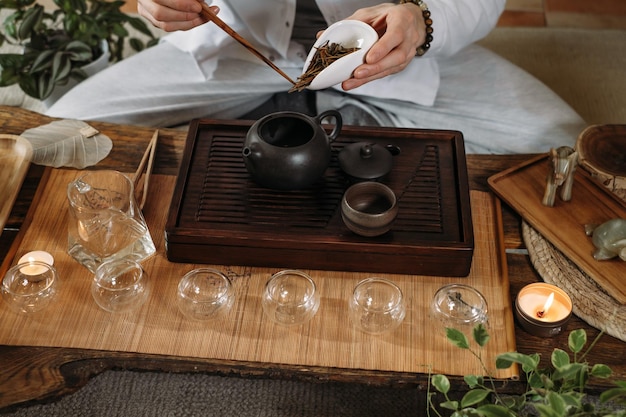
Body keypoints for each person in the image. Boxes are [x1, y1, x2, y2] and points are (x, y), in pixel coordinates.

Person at [45, 0, 586, 154]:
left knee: (566, 146)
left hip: (392, 51)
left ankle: (339, 111)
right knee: (59, 129)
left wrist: (425, 22)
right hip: (238, 43)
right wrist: (151, 3)